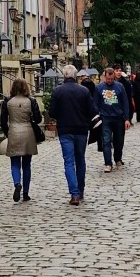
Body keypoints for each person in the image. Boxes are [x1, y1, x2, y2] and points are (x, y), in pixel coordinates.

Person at [47, 64, 95, 206]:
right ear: (75, 76)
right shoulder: (84, 91)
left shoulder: (57, 91)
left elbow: (52, 112)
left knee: (68, 162)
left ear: (64, 76)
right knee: (80, 160)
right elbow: (92, 110)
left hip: (65, 130)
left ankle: (74, 194)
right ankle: (80, 190)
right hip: (81, 129)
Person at [0, 77, 41, 202]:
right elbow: (38, 119)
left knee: (15, 163)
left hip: (13, 132)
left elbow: (2, 121)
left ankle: (17, 183)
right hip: (28, 133)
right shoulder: (31, 101)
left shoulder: (7, 101)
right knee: (27, 165)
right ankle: (26, 193)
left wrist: (8, 133)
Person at [96, 67, 132, 171]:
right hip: (105, 118)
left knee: (119, 140)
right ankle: (108, 163)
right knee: (106, 141)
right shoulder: (99, 88)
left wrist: (127, 118)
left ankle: (117, 159)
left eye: (111, 79)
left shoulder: (120, 87)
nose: (109, 81)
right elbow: (96, 104)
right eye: (108, 79)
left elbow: (125, 103)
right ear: (104, 77)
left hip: (118, 118)